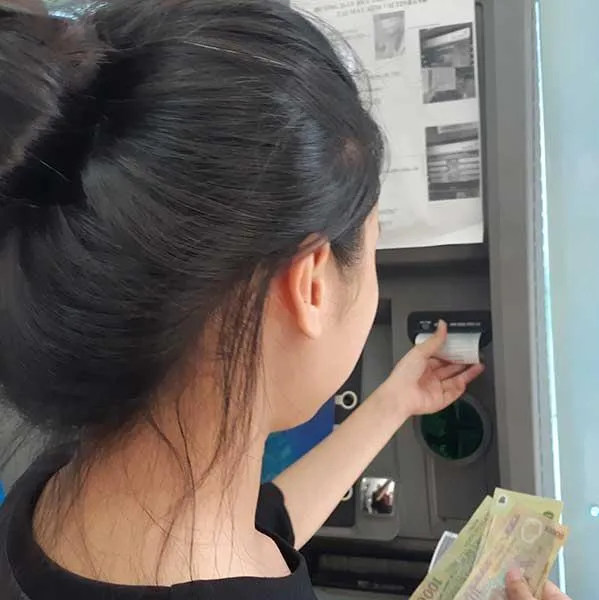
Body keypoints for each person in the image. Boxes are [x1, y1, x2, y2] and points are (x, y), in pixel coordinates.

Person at [0, 1, 570, 599]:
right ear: (312, 284)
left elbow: (260, 528)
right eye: (372, 248)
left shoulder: (54, 500)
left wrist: (393, 403)